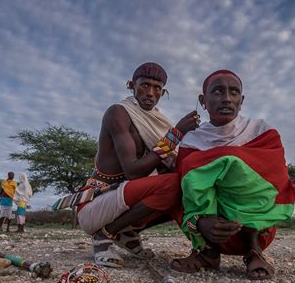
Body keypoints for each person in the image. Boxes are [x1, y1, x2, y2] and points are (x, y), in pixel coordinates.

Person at [168, 70, 295, 280]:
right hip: (210, 229)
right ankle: (207, 252)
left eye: (234, 92)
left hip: (256, 226)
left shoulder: (262, 131)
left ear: (241, 100)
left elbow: (275, 180)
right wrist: (200, 222)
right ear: (203, 100)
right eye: (218, 91)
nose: (227, 98)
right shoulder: (193, 140)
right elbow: (187, 189)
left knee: (237, 171)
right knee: (177, 181)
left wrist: (227, 159)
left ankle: (254, 251)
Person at [70, 62, 199, 268]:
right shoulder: (118, 113)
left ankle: (127, 233)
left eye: (157, 88)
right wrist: (176, 135)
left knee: (187, 183)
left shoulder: (156, 121)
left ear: (163, 92)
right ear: (131, 85)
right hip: (95, 204)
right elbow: (132, 171)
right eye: (144, 85)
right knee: (172, 184)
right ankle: (104, 237)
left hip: (122, 197)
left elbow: (167, 161)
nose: (150, 93)